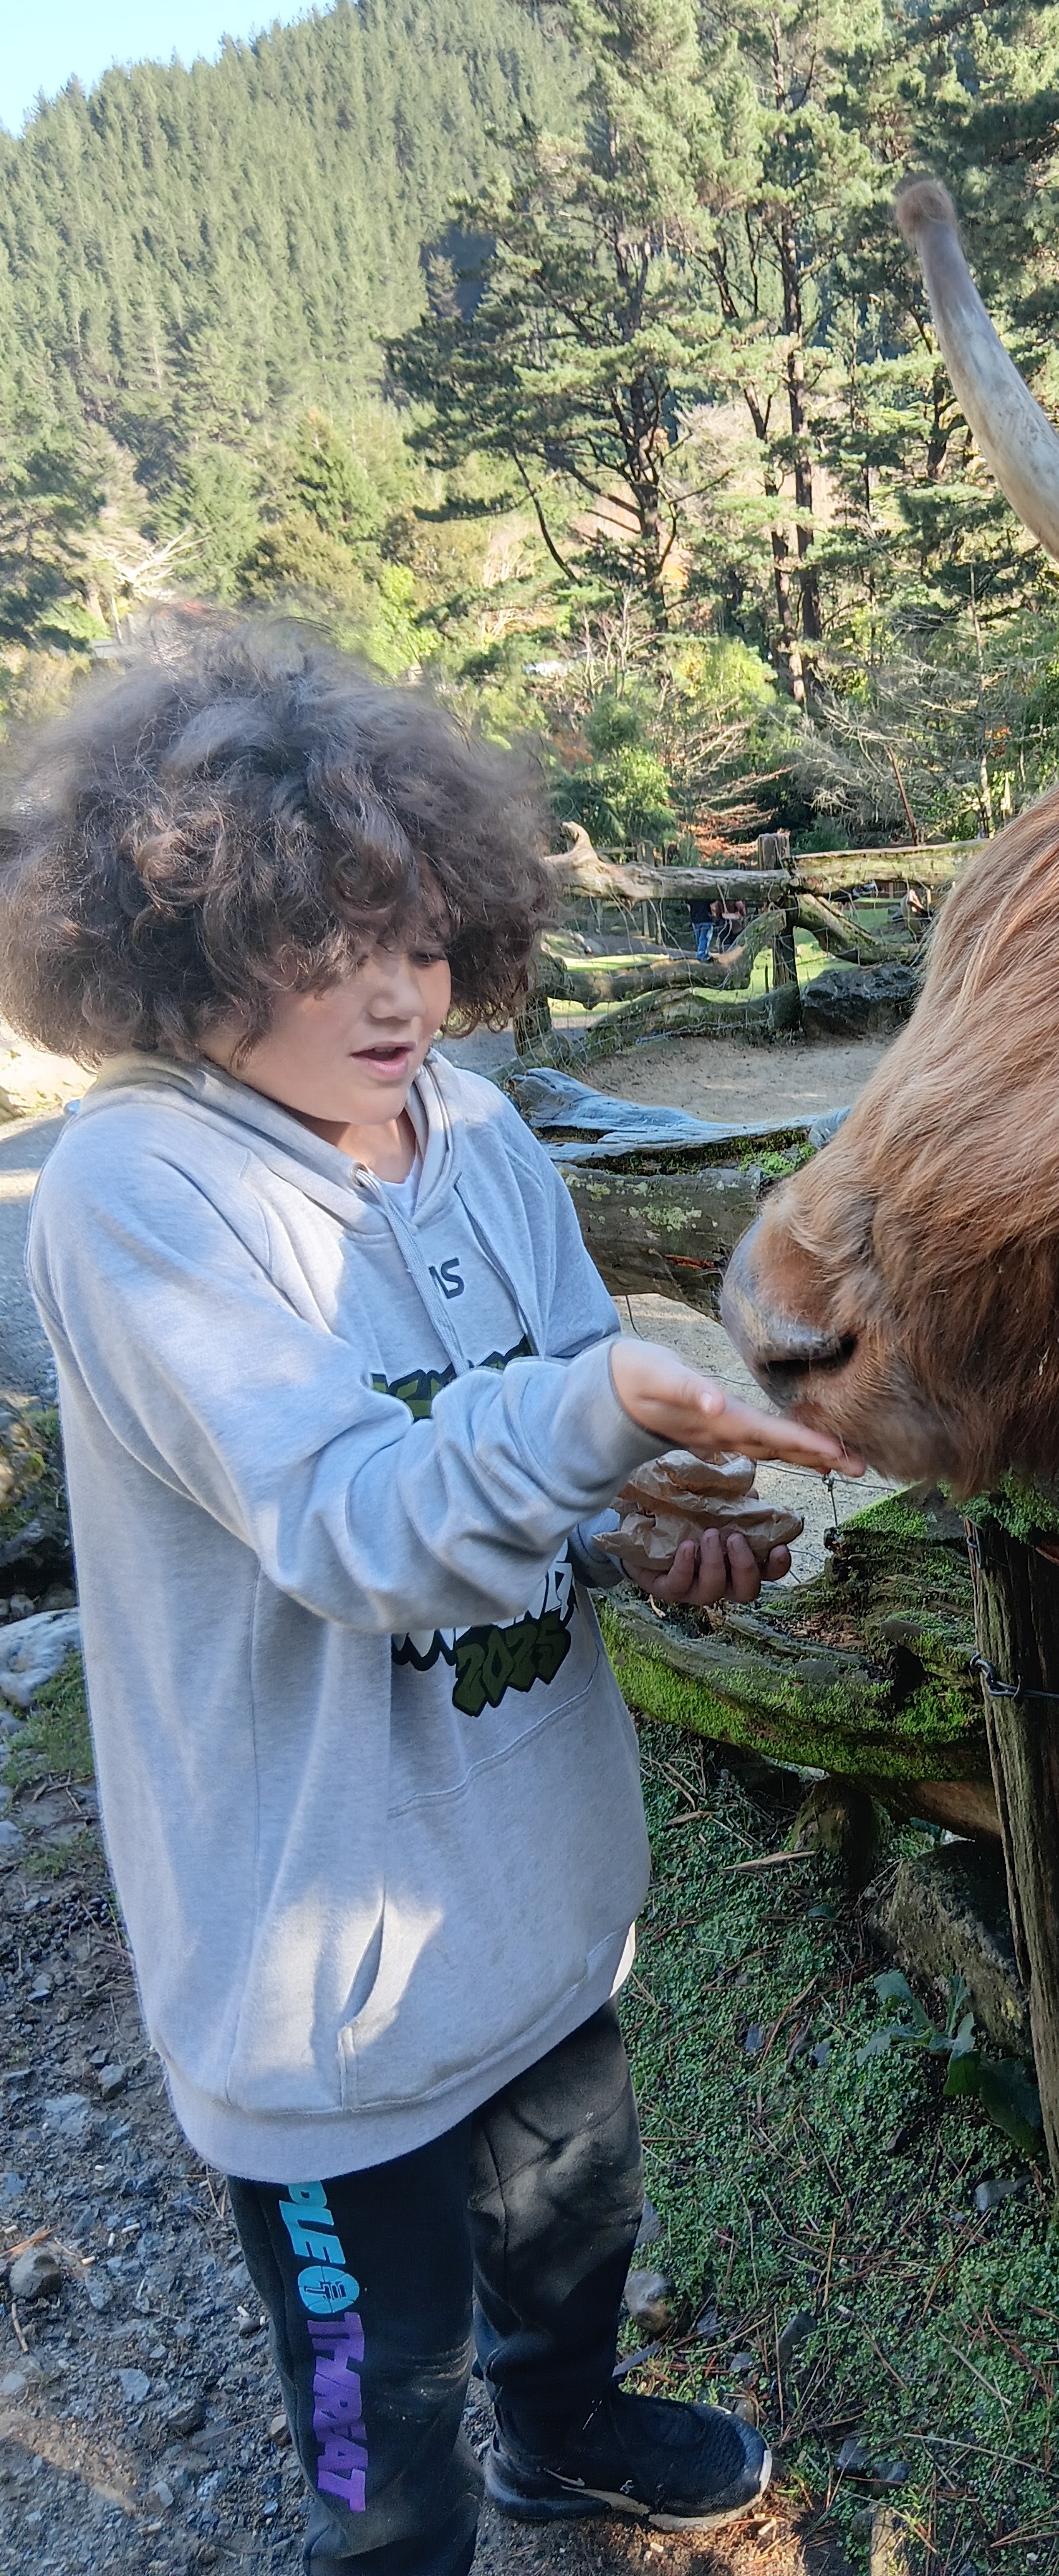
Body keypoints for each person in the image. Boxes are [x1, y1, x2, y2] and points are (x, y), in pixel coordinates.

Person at [0, 624, 860, 2574]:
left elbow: (549, 1464)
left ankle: (564, 2435)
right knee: (367, 2398)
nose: (394, 994)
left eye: (418, 937)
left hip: (532, 1886)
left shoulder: (470, 1127)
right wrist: (597, 1410)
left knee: (572, 2220)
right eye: (323, 946)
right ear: (182, 953)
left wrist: (642, 1530)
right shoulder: (138, 1191)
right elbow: (349, 1524)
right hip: (314, 1970)